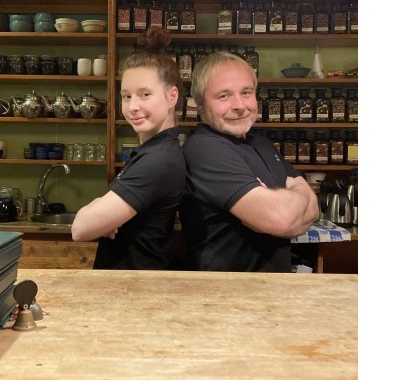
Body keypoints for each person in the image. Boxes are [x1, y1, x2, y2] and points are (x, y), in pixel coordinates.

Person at [179, 52, 319, 272]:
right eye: (224, 96)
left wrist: (293, 198)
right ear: (200, 103)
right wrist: (298, 193)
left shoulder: (262, 144)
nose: (239, 105)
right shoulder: (205, 149)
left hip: (271, 287)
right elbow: (282, 219)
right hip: (230, 289)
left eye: (246, 92)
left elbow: (313, 211)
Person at [71, 27, 186, 270]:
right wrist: (104, 213)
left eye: (145, 94)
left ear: (172, 96)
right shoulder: (154, 150)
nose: (133, 106)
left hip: (135, 283)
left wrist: (99, 215)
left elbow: (80, 229)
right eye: (126, 96)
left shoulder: (158, 160)